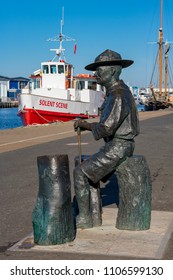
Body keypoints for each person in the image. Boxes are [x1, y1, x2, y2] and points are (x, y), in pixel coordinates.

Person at [73, 49, 140, 228]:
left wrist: (85, 125)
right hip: (115, 145)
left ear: (112, 71)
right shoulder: (116, 93)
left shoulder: (118, 95)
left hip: (119, 147)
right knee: (84, 165)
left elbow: (105, 128)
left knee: (80, 172)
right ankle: (93, 214)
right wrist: (86, 124)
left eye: (99, 70)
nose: (95, 74)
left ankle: (85, 218)